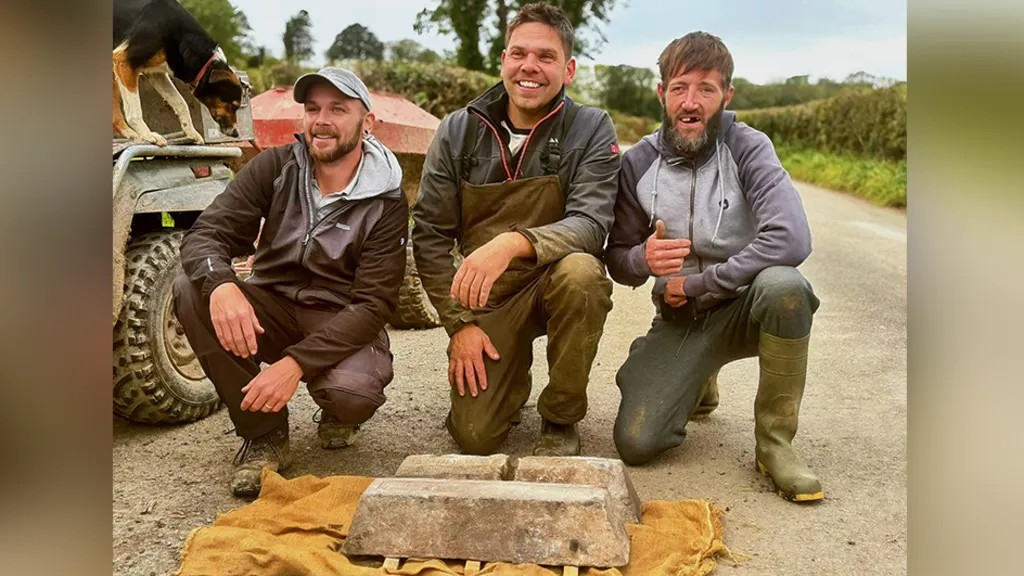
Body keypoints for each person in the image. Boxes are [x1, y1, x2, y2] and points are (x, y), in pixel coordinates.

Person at [604, 32, 824, 502]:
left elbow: (791, 236)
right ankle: (697, 377)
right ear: (661, 94)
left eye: (706, 88)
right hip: (680, 316)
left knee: (786, 287)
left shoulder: (749, 147)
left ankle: (775, 444)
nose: (691, 102)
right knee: (636, 442)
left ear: (727, 94)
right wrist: (642, 258)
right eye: (680, 87)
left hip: (745, 307)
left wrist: (700, 282)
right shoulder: (637, 163)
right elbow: (618, 259)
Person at [173, 67, 408, 497]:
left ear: (367, 123)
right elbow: (206, 233)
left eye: (338, 110)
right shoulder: (275, 166)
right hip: (273, 304)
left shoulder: (387, 199)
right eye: (313, 109)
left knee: (352, 393)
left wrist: (294, 364)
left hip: (339, 315)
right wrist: (222, 285)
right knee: (192, 289)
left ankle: (337, 411)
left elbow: (374, 304)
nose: (322, 120)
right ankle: (264, 435)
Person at [412, 2, 620, 457]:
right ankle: (510, 377)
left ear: (568, 70)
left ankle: (560, 415)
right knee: (475, 437)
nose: (530, 66)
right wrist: (459, 324)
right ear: (503, 60)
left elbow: (591, 224)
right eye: (519, 54)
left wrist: (513, 242)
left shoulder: (591, 127)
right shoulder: (458, 130)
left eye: (546, 56)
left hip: (554, 281)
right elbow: (428, 235)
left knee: (583, 275)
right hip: (489, 299)